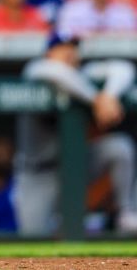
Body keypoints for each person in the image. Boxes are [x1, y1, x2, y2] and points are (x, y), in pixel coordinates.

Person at [16, 31, 137, 236]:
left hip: (76, 164)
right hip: (38, 173)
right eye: (62, 48)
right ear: (49, 53)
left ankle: (125, 212)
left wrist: (109, 95)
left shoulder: (84, 74)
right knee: (32, 237)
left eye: (73, 48)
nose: (69, 53)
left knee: (119, 147)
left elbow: (124, 68)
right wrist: (96, 100)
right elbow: (54, 72)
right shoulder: (37, 70)